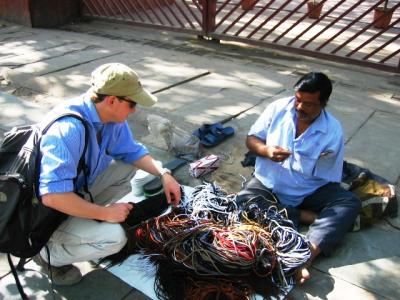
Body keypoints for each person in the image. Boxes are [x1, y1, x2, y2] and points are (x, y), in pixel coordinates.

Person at [34, 63, 182, 285]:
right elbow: (52, 196)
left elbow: (132, 152)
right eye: (132, 104)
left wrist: (164, 174)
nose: (135, 110)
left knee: (127, 166)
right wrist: (105, 214)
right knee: (116, 239)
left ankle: (81, 222)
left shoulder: (109, 118)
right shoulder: (68, 129)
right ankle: (46, 254)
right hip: (43, 214)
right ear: (112, 100)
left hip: (71, 193)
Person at [236, 72, 361, 283]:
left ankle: (307, 254)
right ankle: (304, 216)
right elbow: (252, 139)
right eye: (298, 99)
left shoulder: (332, 130)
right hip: (268, 184)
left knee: (349, 203)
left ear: (323, 104)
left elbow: (330, 174)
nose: (300, 107)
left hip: (308, 191)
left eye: (309, 104)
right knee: (241, 202)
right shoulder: (277, 108)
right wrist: (265, 150)